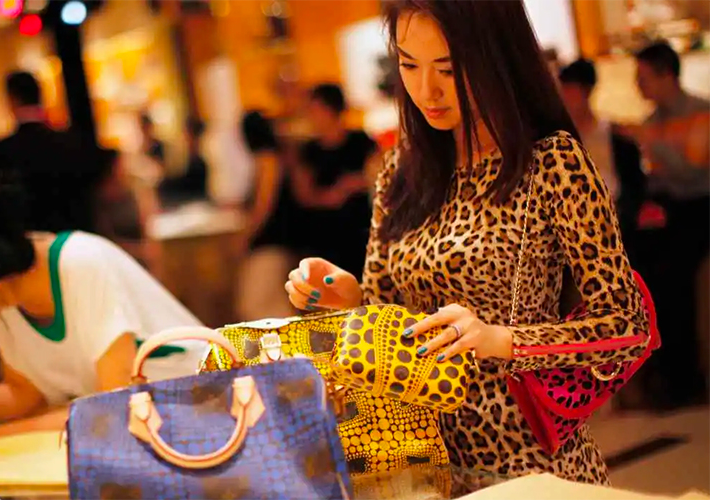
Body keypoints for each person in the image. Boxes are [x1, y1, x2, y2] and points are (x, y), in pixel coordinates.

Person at [285, 0, 648, 485]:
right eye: (409, 66)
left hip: (529, 466)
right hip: (424, 467)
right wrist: (350, 299)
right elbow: (388, 326)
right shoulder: (400, 174)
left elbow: (626, 327)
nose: (426, 90)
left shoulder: (551, 163)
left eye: (448, 70)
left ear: (495, 58)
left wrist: (502, 340)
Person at [0, 178, 205, 471]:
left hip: (198, 414)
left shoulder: (81, 263)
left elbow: (111, 407)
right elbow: (25, 396)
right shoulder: (1, 298)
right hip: (141, 435)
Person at [621, 41, 710, 408]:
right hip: (669, 211)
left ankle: (685, 380)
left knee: (673, 273)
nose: (637, 85)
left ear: (666, 75)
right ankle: (657, 377)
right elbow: (654, 180)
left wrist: (649, 142)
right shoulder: (650, 122)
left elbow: (693, 170)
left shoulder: (701, 113)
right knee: (639, 266)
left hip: (701, 206)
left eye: (643, 77)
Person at [0, 71, 101, 233]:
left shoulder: (0, 151)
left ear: (12, 99)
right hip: (73, 239)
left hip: (28, 242)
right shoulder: (72, 141)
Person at [558, 59, 647, 253]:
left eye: (570, 91)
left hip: (615, 222)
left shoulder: (615, 136)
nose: (565, 98)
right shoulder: (557, 142)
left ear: (587, 91)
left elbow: (634, 186)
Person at [294, 83, 378, 280]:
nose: (310, 116)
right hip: (322, 233)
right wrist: (334, 195)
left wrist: (353, 184)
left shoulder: (361, 141)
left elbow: (379, 175)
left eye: (314, 109)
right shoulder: (308, 151)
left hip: (361, 229)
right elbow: (304, 195)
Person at [235, 111, 307, 320]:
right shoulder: (277, 156)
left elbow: (264, 205)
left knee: (260, 305)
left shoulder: (267, 159)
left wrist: (247, 234)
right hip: (279, 240)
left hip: (271, 240)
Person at [94, 148, 162, 274]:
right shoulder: (102, 197)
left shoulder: (136, 191)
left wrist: (148, 250)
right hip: (116, 259)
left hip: (139, 256)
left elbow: (148, 225)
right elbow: (105, 235)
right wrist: (134, 251)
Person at [158, 117, 210, 206]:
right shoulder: (187, 158)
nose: (184, 140)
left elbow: (190, 188)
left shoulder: (201, 161)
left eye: (186, 136)